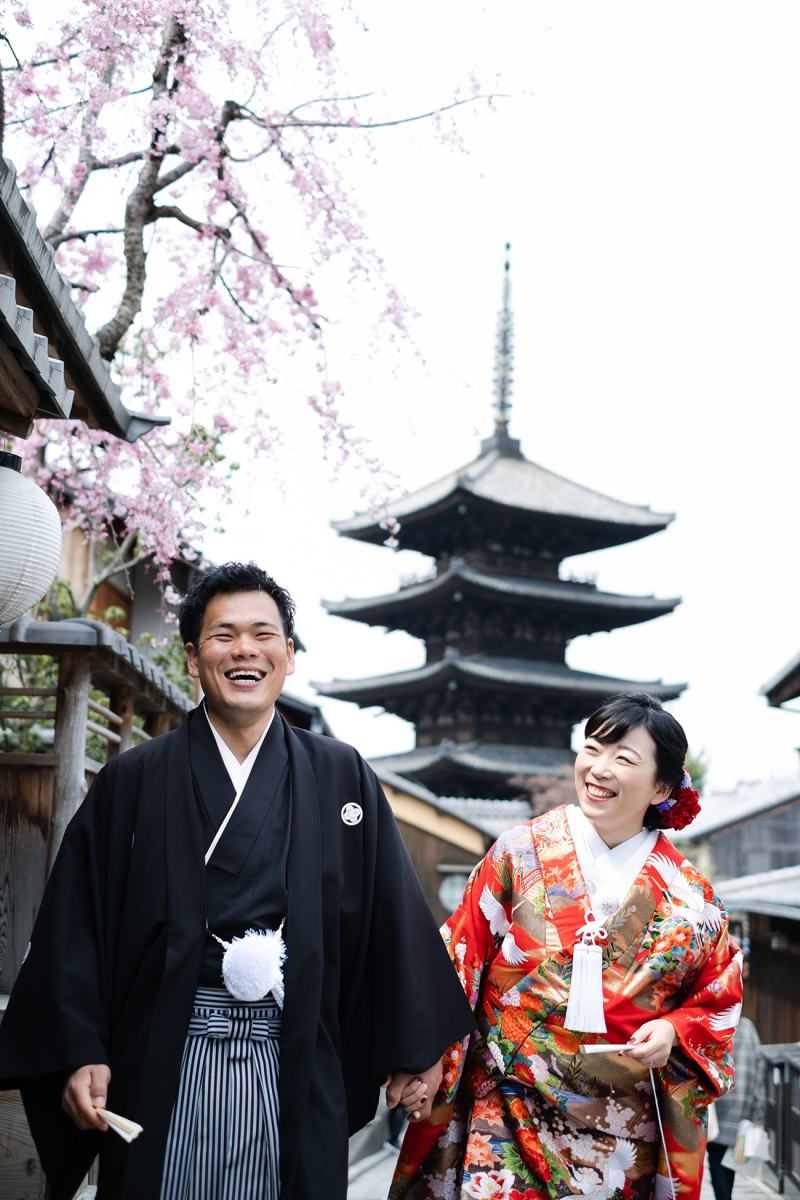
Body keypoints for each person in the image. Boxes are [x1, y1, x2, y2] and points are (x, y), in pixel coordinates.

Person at [0, 562, 476, 1200]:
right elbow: (74, 926)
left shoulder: (341, 776)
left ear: (289, 656)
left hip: (295, 1052)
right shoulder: (135, 779)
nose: (245, 650)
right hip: (165, 1052)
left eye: (263, 634)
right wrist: (80, 1047)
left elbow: (389, 916)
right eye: (223, 636)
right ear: (194, 659)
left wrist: (416, 1042)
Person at [390, 693, 742, 1200]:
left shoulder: (692, 897)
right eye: (592, 749)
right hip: (506, 1102)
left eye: (623, 758)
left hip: (618, 1127)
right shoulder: (519, 852)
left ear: (662, 786)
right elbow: (457, 958)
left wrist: (672, 1028)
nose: (598, 769)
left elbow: (718, 998)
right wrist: (420, 1053)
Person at [707, 1017, 765, 1200]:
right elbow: (759, 1070)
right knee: (726, 1158)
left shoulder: (711, 1023)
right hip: (741, 1104)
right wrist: (758, 1114)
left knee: (716, 1157)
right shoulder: (747, 1027)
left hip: (715, 1101)